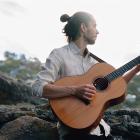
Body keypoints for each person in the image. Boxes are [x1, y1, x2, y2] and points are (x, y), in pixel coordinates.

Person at [32, 11, 140, 140]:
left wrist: (136, 69)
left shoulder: (95, 64)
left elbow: (116, 85)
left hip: (101, 130)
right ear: (83, 28)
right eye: (94, 26)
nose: (97, 31)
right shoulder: (59, 54)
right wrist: (74, 90)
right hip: (74, 131)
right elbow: (37, 87)